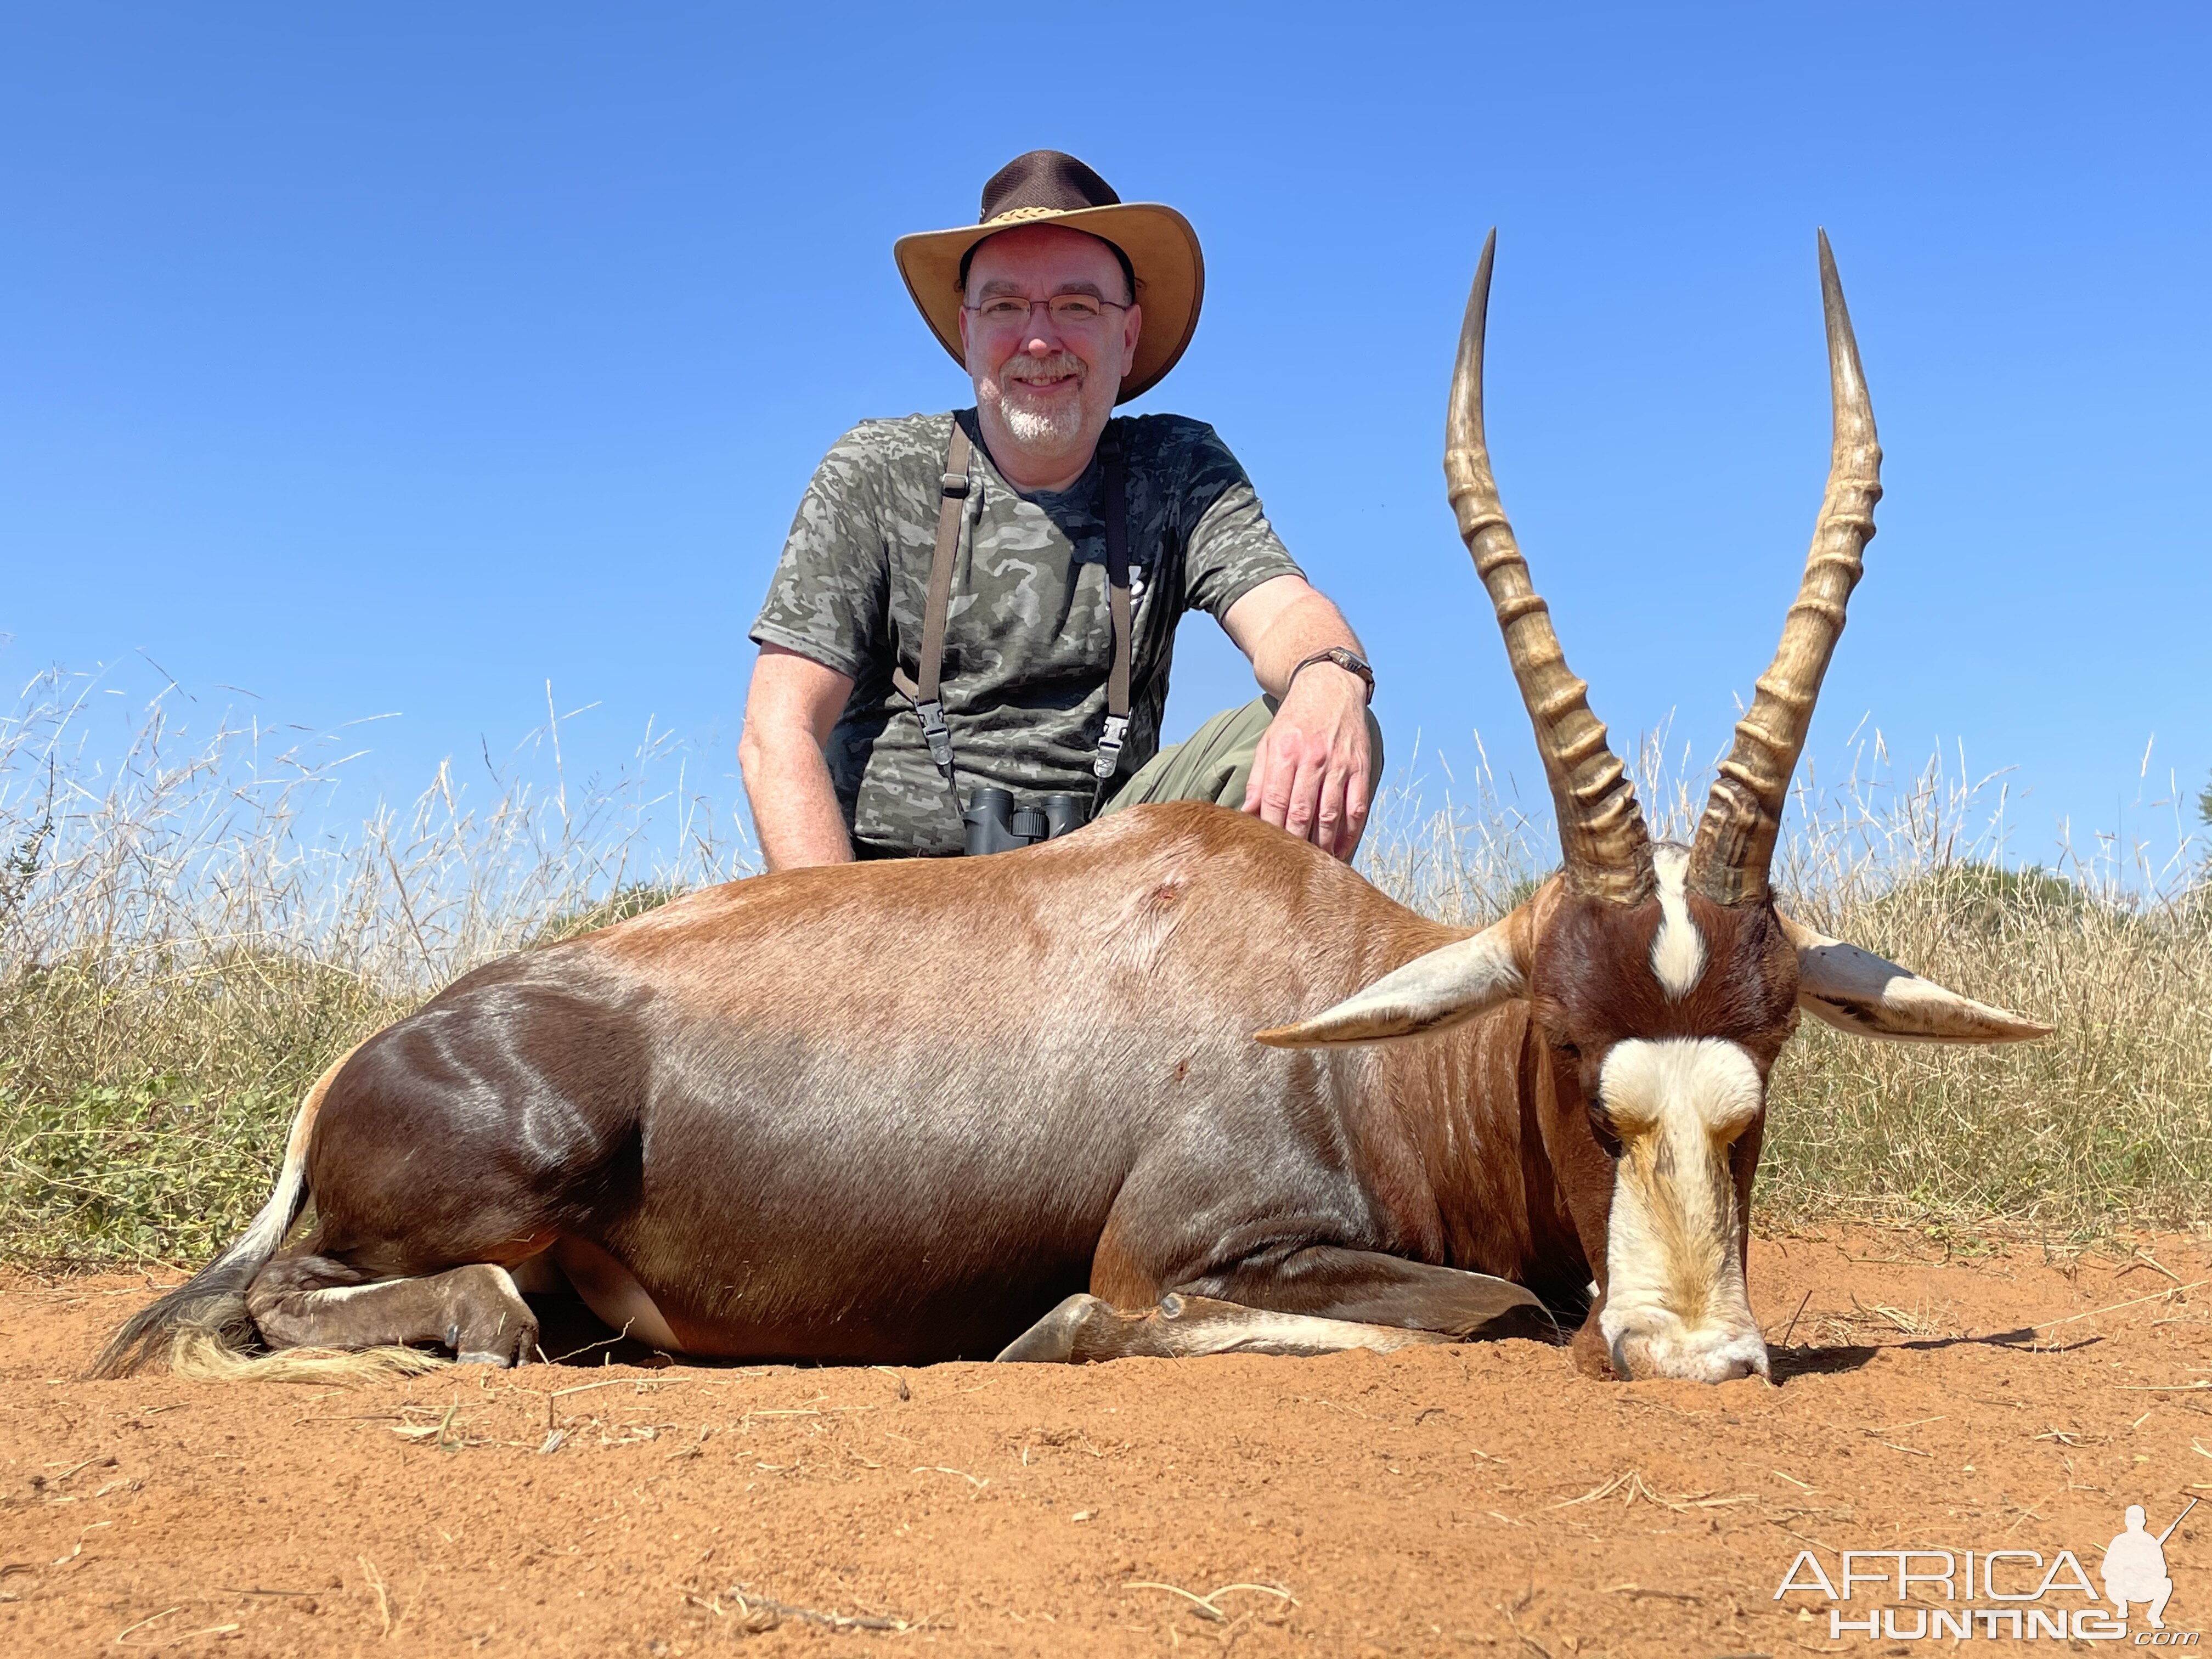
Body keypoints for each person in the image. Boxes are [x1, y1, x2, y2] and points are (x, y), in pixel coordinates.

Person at [740, 150, 1381, 868]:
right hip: (895, 897)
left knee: (1321, 723)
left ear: (1129, 334)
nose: (1039, 339)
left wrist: (1329, 677)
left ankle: (1245, 980)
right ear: (968, 332)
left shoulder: (1178, 467)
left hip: (1105, 890)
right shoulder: (875, 470)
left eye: (1076, 306)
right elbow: (779, 726)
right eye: (1006, 306)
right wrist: (843, 949)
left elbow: (1285, 612)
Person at [2102, 1504, 2176, 1628]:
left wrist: (2146, 1571)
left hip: (2144, 1588)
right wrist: (2122, 1571)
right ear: (2126, 1522)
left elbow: (2162, 1570)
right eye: (2132, 1520)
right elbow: (2106, 1569)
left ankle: (2154, 1615)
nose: (2134, 1523)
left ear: (2143, 1522)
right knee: (2111, 1582)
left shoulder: (2150, 1541)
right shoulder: (2119, 1541)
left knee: (2166, 1583)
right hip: (2122, 1588)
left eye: (2137, 1520)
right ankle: (2122, 1606)